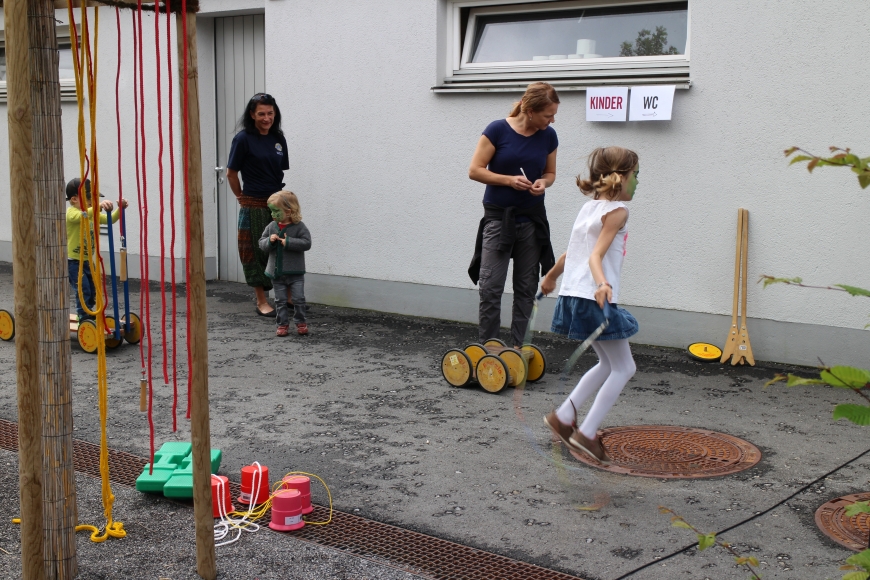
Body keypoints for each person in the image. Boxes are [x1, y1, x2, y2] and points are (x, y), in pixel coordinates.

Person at [540, 147, 641, 465]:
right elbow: (595, 256)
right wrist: (602, 283)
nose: (638, 183)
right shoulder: (618, 211)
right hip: (593, 296)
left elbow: (574, 253)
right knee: (625, 367)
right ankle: (586, 433)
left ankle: (563, 417)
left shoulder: (589, 208)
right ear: (622, 177)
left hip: (574, 295)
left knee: (608, 365)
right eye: (637, 175)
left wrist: (551, 277)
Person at [468, 82, 559, 349]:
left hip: (532, 220)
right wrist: (508, 181)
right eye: (547, 115)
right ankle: (489, 348)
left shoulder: (549, 136)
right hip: (499, 220)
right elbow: (475, 170)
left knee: (526, 289)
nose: (552, 120)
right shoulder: (497, 130)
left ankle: (519, 349)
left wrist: (544, 182)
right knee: (491, 287)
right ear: (529, 110)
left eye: (554, 115)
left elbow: (550, 174)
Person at [227, 93, 290, 317]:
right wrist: (240, 196)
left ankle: (288, 298)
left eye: (270, 113)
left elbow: (280, 169)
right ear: (252, 115)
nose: (266, 118)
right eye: (261, 113)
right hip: (253, 202)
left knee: (283, 247)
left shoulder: (278, 138)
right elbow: (231, 173)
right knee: (254, 250)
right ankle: (261, 301)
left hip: (277, 202)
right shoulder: (243, 139)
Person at [66, 177, 128, 321]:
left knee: (93, 288)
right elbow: (83, 215)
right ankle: (83, 314)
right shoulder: (72, 213)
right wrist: (98, 206)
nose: (92, 201)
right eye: (89, 198)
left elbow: (110, 219)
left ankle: (88, 310)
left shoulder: (92, 214)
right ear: (74, 199)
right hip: (74, 261)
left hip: (88, 260)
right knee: (83, 289)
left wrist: (121, 209)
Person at [259, 190, 311, 337]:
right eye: (271, 211)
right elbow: (261, 243)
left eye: (276, 211)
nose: (272, 214)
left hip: (295, 273)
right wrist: (270, 240)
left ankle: (301, 322)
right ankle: (282, 324)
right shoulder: (271, 226)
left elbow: (307, 243)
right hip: (276, 274)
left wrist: (288, 242)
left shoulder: (299, 227)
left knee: (299, 299)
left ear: (288, 211)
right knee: (280, 300)